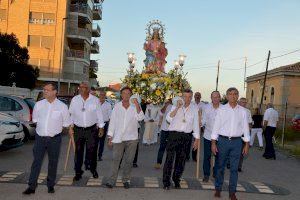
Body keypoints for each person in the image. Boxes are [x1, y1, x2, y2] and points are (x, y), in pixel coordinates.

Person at [23, 82, 71, 195]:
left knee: (53, 163)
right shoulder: (39, 105)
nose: (44, 91)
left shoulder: (62, 107)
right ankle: (32, 186)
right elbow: (35, 120)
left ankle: (50, 185)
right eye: (44, 90)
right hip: (40, 138)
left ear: (55, 92)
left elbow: (67, 123)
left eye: (47, 90)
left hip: (55, 139)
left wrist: (69, 129)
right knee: (36, 162)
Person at [211, 87, 250, 200]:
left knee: (234, 168)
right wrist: (213, 143)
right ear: (227, 96)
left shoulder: (243, 111)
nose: (233, 96)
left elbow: (245, 128)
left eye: (235, 94)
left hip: (237, 142)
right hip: (222, 141)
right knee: (220, 167)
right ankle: (218, 188)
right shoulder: (221, 110)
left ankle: (232, 192)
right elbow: (216, 127)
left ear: (237, 96)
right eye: (230, 94)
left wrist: (247, 144)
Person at [105, 87, 144, 189]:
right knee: (115, 159)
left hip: (132, 138)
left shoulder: (135, 106)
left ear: (131, 95)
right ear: (121, 95)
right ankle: (111, 180)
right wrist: (110, 137)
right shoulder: (117, 107)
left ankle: (126, 179)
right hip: (118, 137)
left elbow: (141, 118)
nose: (126, 95)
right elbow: (112, 122)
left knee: (129, 160)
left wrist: (136, 104)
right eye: (124, 93)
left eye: (128, 93)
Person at [162, 89, 200, 190]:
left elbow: (196, 124)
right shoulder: (175, 105)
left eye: (189, 97)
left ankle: (176, 179)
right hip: (174, 135)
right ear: (182, 97)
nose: (187, 99)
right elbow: (168, 119)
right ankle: (166, 182)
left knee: (181, 160)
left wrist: (196, 139)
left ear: (191, 97)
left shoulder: (194, 108)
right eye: (185, 97)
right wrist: (177, 108)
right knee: (169, 159)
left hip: (187, 136)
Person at [69, 81, 105, 181]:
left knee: (92, 152)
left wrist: (101, 127)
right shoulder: (75, 100)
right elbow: (71, 114)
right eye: (80, 87)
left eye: (83, 87)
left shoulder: (95, 100)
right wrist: (70, 127)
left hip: (92, 130)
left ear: (88, 89)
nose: (80, 89)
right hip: (78, 129)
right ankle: (78, 172)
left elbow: (99, 114)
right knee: (78, 152)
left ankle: (93, 169)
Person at [201, 91, 222, 182]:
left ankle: (216, 172)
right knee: (207, 156)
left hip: (220, 137)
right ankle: (206, 174)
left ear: (220, 98)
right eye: (213, 97)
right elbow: (203, 120)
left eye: (217, 97)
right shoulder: (206, 107)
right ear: (211, 98)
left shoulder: (224, 108)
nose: (215, 99)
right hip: (208, 136)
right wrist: (199, 123)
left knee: (219, 156)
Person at [154, 99, 172, 169]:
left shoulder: (176, 107)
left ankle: (168, 164)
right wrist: (165, 106)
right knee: (162, 147)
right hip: (164, 129)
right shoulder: (166, 106)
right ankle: (158, 162)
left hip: (172, 130)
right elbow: (161, 113)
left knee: (170, 148)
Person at [188, 92, 206, 161]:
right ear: (194, 96)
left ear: (200, 97)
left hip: (199, 125)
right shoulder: (191, 104)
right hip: (191, 125)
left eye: (199, 95)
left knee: (196, 140)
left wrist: (202, 123)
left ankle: (194, 156)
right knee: (188, 141)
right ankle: (186, 155)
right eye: (196, 95)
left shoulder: (203, 105)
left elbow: (204, 115)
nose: (197, 96)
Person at [237, 97, 253, 172]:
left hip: (244, 133)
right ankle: (230, 162)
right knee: (234, 149)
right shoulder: (235, 110)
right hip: (236, 133)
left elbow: (250, 122)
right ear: (239, 103)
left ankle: (239, 166)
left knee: (242, 151)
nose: (244, 104)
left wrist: (249, 132)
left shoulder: (248, 111)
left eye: (245, 102)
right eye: (242, 102)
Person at [97, 90, 112, 161]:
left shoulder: (108, 105)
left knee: (102, 141)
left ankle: (99, 155)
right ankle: (93, 155)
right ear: (99, 95)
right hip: (96, 124)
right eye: (101, 95)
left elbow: (110, 116)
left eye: (103, 95)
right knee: (94, 141)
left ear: (105, 96)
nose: (102, 96)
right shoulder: (95, 103)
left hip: (104, 124)